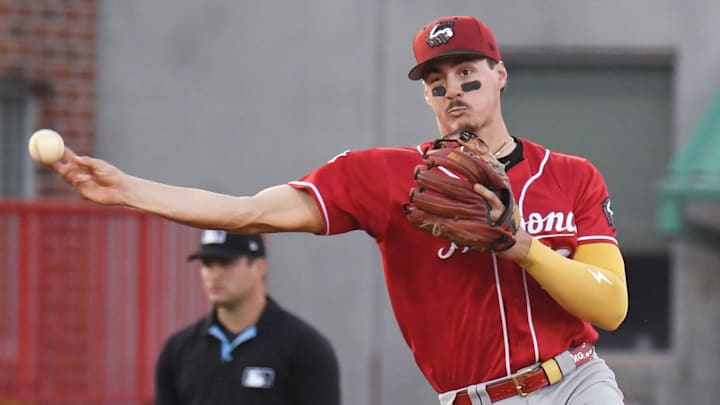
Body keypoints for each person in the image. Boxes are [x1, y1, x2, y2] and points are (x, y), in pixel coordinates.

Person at [54, 15, 627, 405]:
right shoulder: (384, 177)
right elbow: (247, 213)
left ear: (499, 76)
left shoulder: (570, 175)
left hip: (574, 384)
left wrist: (521, 247)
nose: (453, 90)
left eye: (466, 73)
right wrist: (128, 190)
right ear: (425, 97)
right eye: (435, 81)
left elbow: (610, 306)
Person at [154, 230, 341, 405]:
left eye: (226, 263)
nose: (214, 275)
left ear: (259, 266)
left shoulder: (304, 348)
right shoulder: (178, 350)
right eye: (207, 264)